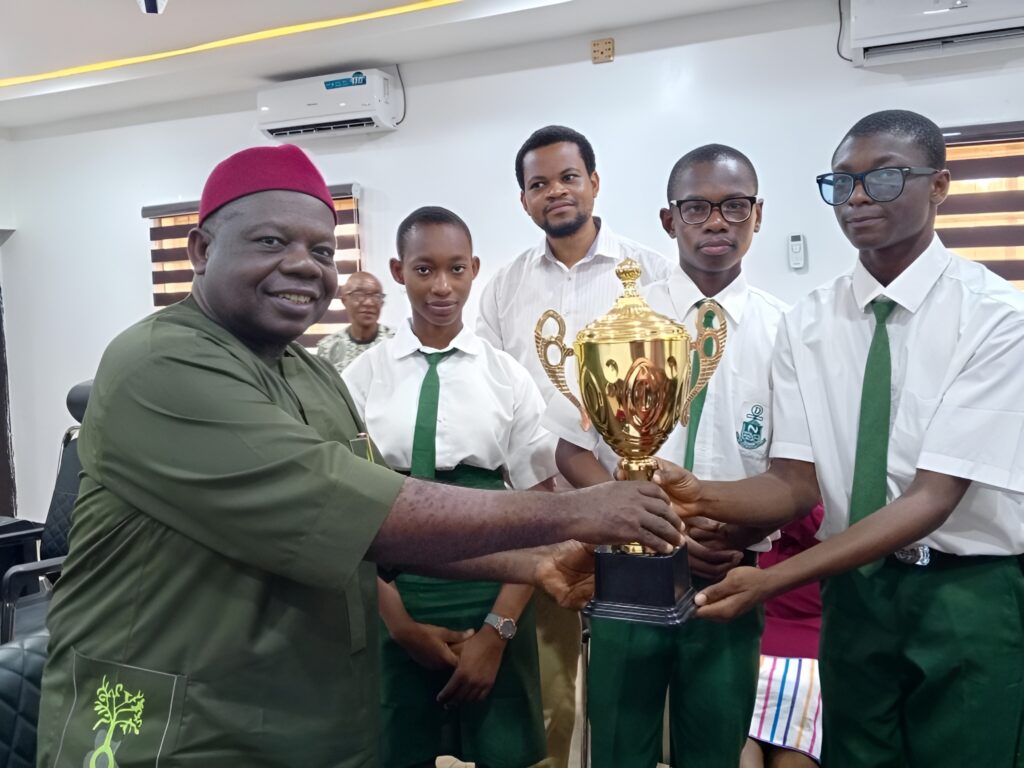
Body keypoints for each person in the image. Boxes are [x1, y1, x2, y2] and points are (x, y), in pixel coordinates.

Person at [34, 144, 685, 768]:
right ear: (200, 250)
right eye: (270, 242)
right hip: (171, 728)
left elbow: (385, 541)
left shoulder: (313, 378)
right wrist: (578, 514)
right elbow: (371, 511)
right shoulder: (162, 363)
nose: (303, 264)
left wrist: (536, 564)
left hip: (301, 720)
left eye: (321, 249)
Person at [659, 110, 1024, 767]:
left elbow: (932, 498)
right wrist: (694, 494)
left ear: (939, 186)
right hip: (852, 592)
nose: (857, 199)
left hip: (965, 591)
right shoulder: (809, 322)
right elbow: (793, 486)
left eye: (883, 179)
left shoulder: (996, 317)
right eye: (842, 183)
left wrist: (772, 582)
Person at [546, 144, 788, 768]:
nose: (716, 222)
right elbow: (571, 447)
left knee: (713, 745)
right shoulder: (615, 320)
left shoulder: (787, 330)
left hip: (728, 573)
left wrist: (738, 528)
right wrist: (637, 516)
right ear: (668, 219)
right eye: (696, 207)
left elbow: (795, 469)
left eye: (734, 207)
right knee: (621, 747)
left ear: (757, 216)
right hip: (631, 573)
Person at [476, 124, 674, 767]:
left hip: (628, 513)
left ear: (594, 182)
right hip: (535, 514)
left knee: (626, 692)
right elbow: (488, 389)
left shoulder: (651, 272)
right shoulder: (505, 286)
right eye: (539, 184)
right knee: (551, 694)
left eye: (567, 177)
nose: (555, 192)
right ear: (524, 199)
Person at [344, 206, 554, 768]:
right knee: (396, 746)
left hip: (493, 589)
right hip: (393, 592)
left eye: (457, 269)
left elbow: (539, 512)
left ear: (474, 268)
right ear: (397, 270)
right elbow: (347, 513)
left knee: (503, 748)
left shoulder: (507, 377)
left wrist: (496, 631)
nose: (442, 286)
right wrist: (398, 623)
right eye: (424, 269)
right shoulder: (360, 378)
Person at [741, 504, 825, 768]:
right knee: (738, 743)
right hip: (744, 641)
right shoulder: (744, 499)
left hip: (807, 653)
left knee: (793, 752)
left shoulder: (824, 502)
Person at [317, 270, 395, 374]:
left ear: (382, 302)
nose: (368, 302)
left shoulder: (396, 341)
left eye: (376, 296)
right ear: (344, 300)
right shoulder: (328, 347)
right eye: (359, 295)